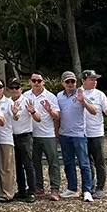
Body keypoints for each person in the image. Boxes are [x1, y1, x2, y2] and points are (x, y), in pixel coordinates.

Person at [56, 71, 94, 202]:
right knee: (68, 163)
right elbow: (58, 115)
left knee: (84, 163)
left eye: (72, 81)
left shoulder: (81, 93)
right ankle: (72, 188)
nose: (70, 84)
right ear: (63, 83)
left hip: (79, 134)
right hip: (64, 134)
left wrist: (83, 101)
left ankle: (87, 190)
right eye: (67, 81)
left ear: (76, 82)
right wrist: (56, 132)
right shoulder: (59, 96)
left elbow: (93, 111)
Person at [23, 71, 61, 200]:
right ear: (30, 82)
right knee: (35, 163)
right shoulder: (25, 96)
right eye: (34, 80)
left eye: (39, 81)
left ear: (43, 82)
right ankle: (38, 187)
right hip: (32, 134)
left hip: (48, 134)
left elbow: (57, 116)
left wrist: (49, 110)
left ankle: (55, 189)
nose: (36, 83)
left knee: (53, 162)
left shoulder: (50, 96)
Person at [81, 70, 107, 199]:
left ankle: (100, 187)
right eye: (91, 79)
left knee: (99, 161)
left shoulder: (99, 94)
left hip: (96, 133)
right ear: (83, 80)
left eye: (95, 79)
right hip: (81, 133)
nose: (94, 82)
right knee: (86, 162)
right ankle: (88, 187)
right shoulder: (78, 92)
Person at [8, 78, 37, 203]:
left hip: (25, 136)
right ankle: (21, 190)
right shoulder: (7, 102)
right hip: (12, 137)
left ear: (21, 89)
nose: (15, 90)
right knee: (17, 165)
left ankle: (32, 191)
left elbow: (38, 118)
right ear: (9, 89)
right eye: (12, 88)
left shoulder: (27, 101)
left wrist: (33, 111)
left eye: (17, 87)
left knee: (28, 165)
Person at [0, 78, 16, 202]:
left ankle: (7, 193)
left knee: (6, 168)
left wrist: (16, 113)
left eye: (0, 86)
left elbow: (15, 117)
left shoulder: (9, 102)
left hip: (5, 138)